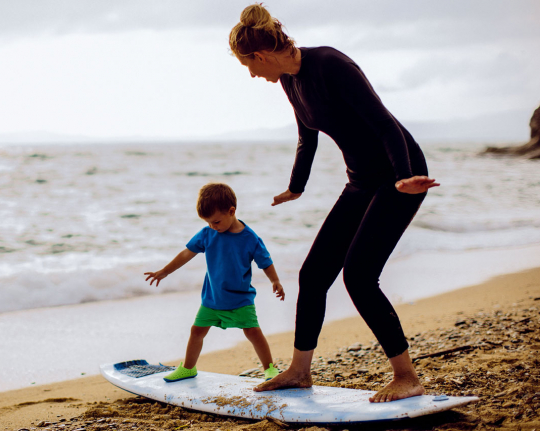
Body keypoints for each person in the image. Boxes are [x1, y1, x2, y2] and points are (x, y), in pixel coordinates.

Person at [228, 4, 440, 403]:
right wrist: (296, 187)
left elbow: (384, 123)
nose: (254, 76)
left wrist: (404, 177)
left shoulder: (331, 64)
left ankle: (407, 377)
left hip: (400, 177)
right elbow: (308, 136)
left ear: (259, 56)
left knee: (359, 276)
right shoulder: (291, 82)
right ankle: (299, 372)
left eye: (249, 67)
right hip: (360, 182)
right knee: (313, 275)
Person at [144, 182, 286, 382]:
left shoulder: (250, 238)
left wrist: (275, 281)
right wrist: (165, 271)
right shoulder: (207, 233)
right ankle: (188, 368)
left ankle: (269, 368)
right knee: (196, 331)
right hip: (212, 299)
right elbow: (187, 253)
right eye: (208, 222)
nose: (212, 226)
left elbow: (266, 262)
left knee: (253, 332)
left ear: (231, 211)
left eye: (216, 222)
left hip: (240, 299)